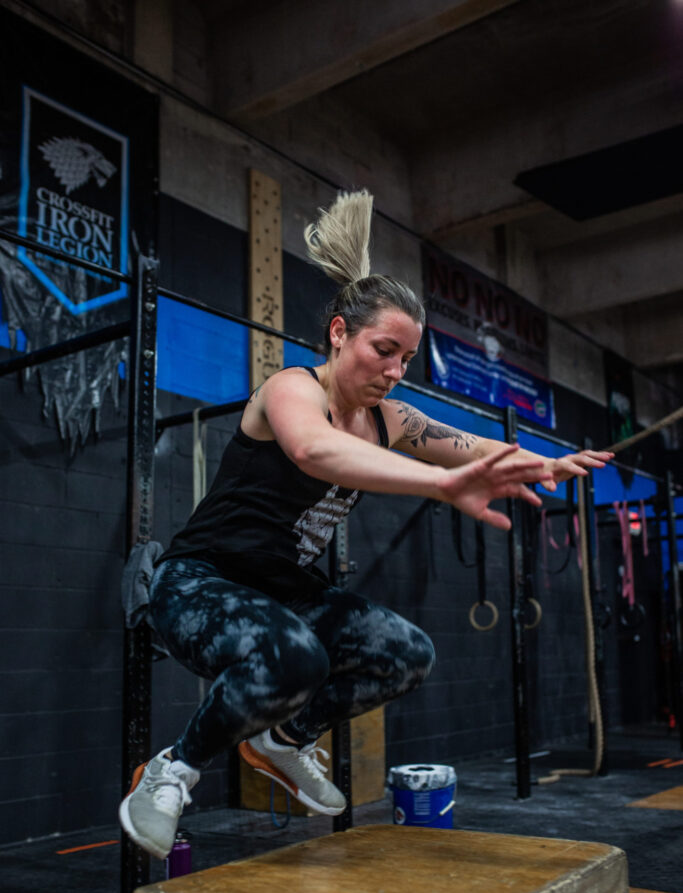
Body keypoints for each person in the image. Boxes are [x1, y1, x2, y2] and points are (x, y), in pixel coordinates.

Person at [119, 190, 613, 859]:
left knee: (404, 652)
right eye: (382, 350)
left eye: (405, 359)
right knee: (296, 655)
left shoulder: (391, 420)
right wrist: (440, 484)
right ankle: (170, 772)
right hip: (198, 584)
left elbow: (471, 447)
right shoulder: (292, 390)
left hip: (281, 590)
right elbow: (313, 450)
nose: (393, 370)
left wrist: (545, 463)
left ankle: (284, 741)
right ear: (338, 334)